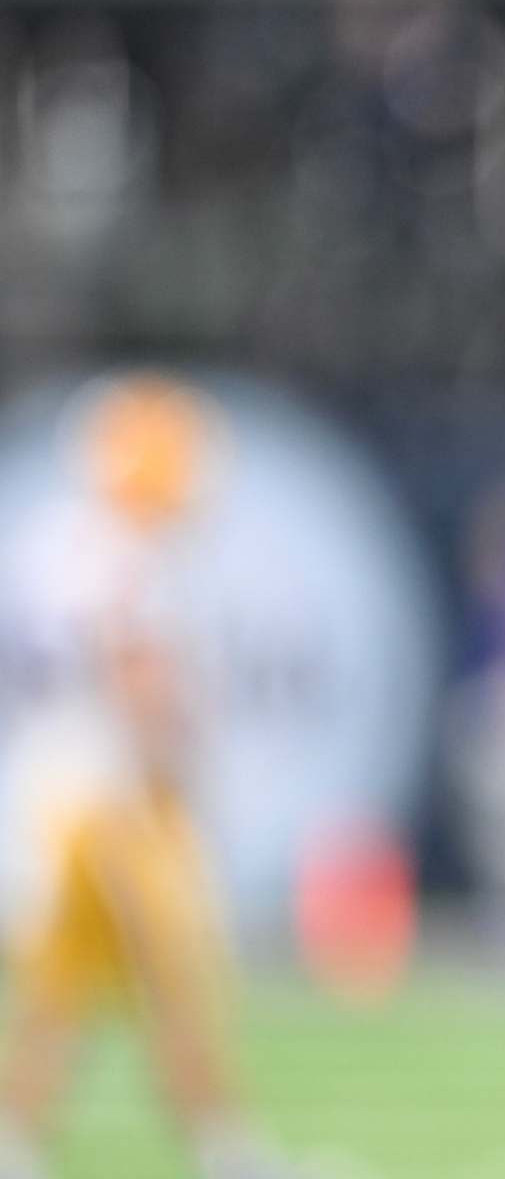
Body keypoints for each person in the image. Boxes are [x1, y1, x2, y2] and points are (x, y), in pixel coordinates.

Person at [0, 375, 293, 1179]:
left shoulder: (56, 539)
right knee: (178, 970)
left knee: (60, 986)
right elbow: (134, 669)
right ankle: (227, 1150)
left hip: (62, 787)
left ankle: (15, 1143)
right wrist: (178, 761)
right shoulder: (115, 552)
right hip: (111, 794)